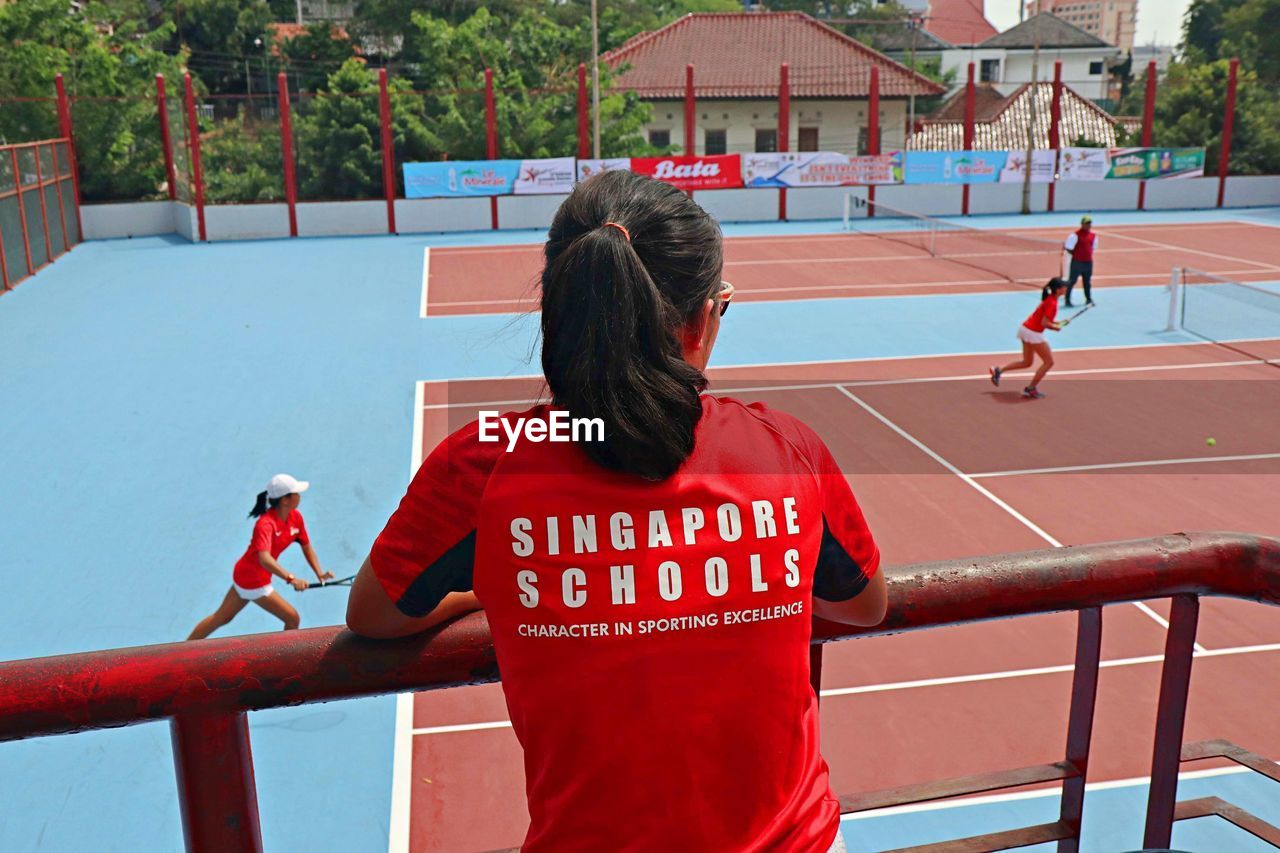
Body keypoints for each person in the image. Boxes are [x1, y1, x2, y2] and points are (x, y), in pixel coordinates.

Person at [346, 170, 886, 853]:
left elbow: (374, 611)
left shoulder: (487, 461)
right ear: (703, 319)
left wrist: (481, 594)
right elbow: (863, 604)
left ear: (561, 308)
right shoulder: (786, 447)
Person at [187, 473, 333, 640]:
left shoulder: (296, 518)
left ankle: (181, 650)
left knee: (221, 618)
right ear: (285, 500)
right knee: (292, 618)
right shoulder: (265, 524)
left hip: (247, 574)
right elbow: (265, 559)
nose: (300, 497)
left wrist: (319, 573)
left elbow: (307, 547)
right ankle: (283, 661)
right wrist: (292, 579)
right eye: (296, 493)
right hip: (252, 579)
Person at [989, 277, 1069, 399]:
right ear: (1058, 290)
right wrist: (1055, 328)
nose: (1066, 288)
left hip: (1025, 329)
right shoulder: (1052, 303)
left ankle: (998, 371)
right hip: (1033, 333)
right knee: (1049, 362)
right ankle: (1030, 389)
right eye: (1064, 287)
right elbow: (1044, 323)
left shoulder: (1050, 299)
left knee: (1027, 362)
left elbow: (1044, 319)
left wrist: (1057, 323)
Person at [1062, 215, 1098, 307]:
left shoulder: (1093, 236)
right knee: (1072, 281)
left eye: (1089, 223)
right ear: (1082, 224)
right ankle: (1067, 299)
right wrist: (1077, 255)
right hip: (1077, 263)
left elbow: (1093, 248)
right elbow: (1069, 247)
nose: (1088, 225)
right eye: (1086, 223)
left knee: (1087, 282)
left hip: (1088, 262)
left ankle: (1088, 299)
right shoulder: (1074, 235)